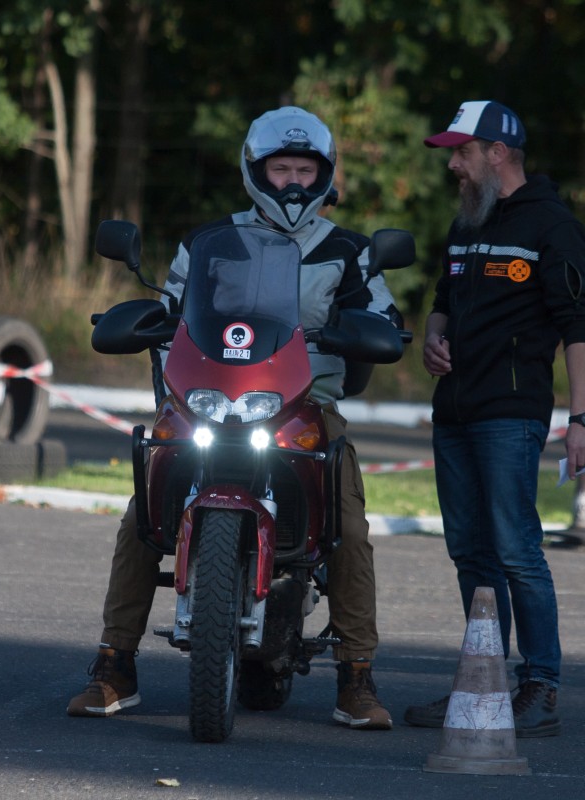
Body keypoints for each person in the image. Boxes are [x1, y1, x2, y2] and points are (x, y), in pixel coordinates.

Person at [67, 106, 403, 730]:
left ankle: (356, 677)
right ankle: (114, 666)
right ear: (255, 171)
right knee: (141, 518)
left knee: (349, 529)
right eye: (282, 169)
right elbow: (172, 313)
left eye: (306, 170)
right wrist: (145, 324)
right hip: (206, 402)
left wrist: (373, 330)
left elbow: (384, 319)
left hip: (304, 408)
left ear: (326, 174)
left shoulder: (348, 251)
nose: (294, 182)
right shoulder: (209, 244)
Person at [402, 100, 585, 738]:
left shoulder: (553, 225)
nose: (452, 165)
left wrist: (582, 419)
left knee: (516, 550)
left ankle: (541, 685)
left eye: (461, 152)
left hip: (510, 414)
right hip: (453, 412)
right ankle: (481, 682)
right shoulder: (466, 223)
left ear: (497, 152)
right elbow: (441, 300)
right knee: (469, 552)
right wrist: (433, 338)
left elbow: (577, 326)